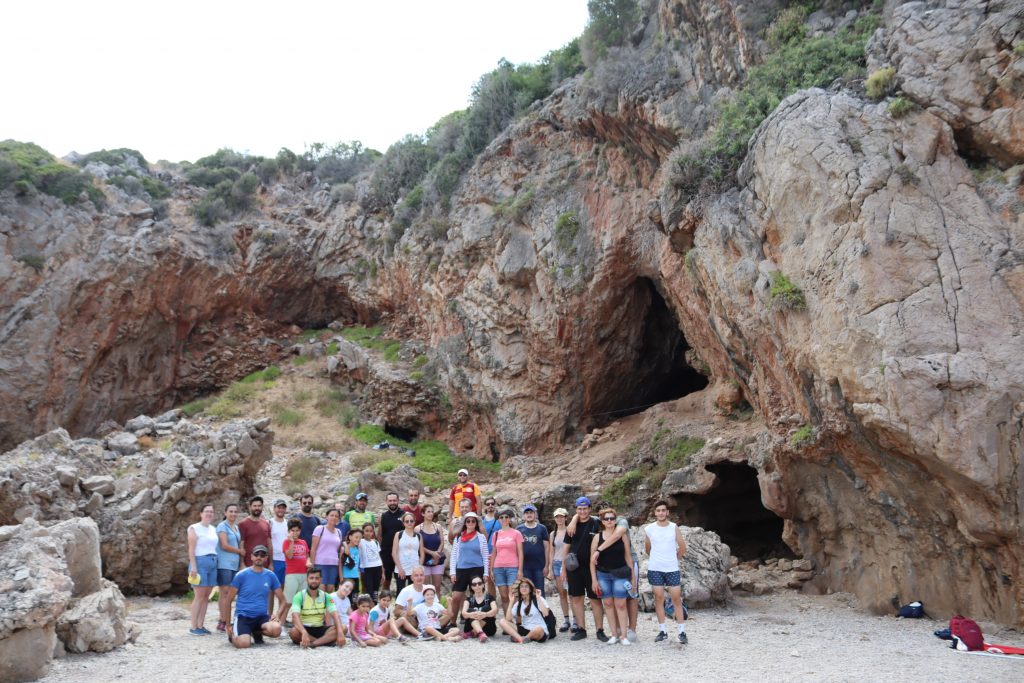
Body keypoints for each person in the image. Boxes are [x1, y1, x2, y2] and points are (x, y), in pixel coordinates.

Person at [589, 504, 640, 641]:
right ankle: (614, 634)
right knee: (608, 604)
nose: (610, 521)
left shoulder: (622, 535)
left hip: (620, 573)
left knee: (621, 604)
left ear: (615, 520)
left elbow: (628, 558)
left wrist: (633, 578)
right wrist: (594, 580)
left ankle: (624, 635)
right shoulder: (596, 538)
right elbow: (592, 561)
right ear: (602, 521)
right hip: (603, 575)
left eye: (612, 518)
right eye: (606, 519)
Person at [224, 545, 288, 648]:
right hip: (243, 616)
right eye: (256, 554)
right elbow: (228, 601)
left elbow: (283, 600)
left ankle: (256, 632)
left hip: (261, 617)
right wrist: (227, 625)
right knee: (244, 644)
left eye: (262, 555)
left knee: (276, 630)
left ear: (266, 558)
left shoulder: (270, 575)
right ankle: (235, 635)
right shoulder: (241, 575)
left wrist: (277, 615)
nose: (259, 557)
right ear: (251, 557)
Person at [644, 500, 689, 644]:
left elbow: (682, 546)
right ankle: (662, 630)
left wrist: (674, 558)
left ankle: (682, 632)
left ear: (667, 512)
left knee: (676, 598)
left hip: (672, 568)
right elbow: (647, 548)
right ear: (655, 513)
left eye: (663, 510)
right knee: (659, 599)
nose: (661, 513)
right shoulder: (649, 529)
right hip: (656, 568)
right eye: (658, 510)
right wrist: (658, 558)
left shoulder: (673, 527)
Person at [564, 496, 605, 641]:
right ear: (576, 509)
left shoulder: (596, 523)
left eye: (585, 508)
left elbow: (611, 523)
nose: (582, 511)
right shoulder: (571, 526)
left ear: (589, 509)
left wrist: (575, 518)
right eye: (579, 509)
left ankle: (600, 630)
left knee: (595, 599)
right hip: (574, 567)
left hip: (593, 567)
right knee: (576, 598)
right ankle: (581, 629)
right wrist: (564, 569)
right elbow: (566, 547)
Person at [449, 512, 489, 624]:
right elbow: (453, 555)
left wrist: (486, 574)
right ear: (464, 523)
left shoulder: (481, 537)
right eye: (468, 521)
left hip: (477, 569)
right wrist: (453, 572)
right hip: (461, 570)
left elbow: (485, 557)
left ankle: (474, 623)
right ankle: (452, 622)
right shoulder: (459, 537)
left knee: (476, 597)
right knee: (456, 597)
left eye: (473, 521)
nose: (470, 523)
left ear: (476, 523)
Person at [288, 567, 345, 648]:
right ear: (307, 580)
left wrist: (340, 632)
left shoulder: (326, 596)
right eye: (311, 578)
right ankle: (325, 641)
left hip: (320, 628)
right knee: (293, 632)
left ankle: (313, 643)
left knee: (343, 628)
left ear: (320, 580)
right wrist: (304, 632)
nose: (314, 580)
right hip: (304, 627)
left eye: (317, 578)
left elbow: (335, 615)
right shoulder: (299, 596)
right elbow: (295, 616)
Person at [187, 503, 218, 635]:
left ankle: (201, 625)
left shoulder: (213, 529)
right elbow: (191, 549)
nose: (209, 513)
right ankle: (194, 627)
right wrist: (193, 567)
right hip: (199, 563)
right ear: (201, 513)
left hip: (212, 562)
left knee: (206, 596)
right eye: (206, 511)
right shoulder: (194, 528)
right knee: (199, 596)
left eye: (211, 511)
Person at [215, 503, 245, 632]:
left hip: (234, 565)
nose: (233, 514)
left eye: (235, 511)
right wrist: (240, 551)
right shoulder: (222, 526)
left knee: (231, 593)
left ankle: (227, 618)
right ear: (225, 513)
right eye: (230, 511)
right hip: (224, 564)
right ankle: (222, 620)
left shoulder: (236, 528)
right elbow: (224, 545)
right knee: (225, 593)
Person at [490, 508, 524, 609]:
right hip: (498, 568)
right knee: (504, 597)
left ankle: (516, 621)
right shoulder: (496, 534)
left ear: (510, 519)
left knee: (513, 595)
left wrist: (520, 570)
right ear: (499, 520)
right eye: (501, 517)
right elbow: (494, 552)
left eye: (506, 517)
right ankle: (507, 619)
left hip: (512, 568)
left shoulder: (516, 533)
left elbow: (521, 552)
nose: (504, 519)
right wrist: (491, 569)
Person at [498, 578, 551, 643]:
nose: (524, 588)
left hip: (538, 631)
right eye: (522, 587)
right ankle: (521, 639)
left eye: (526, 586)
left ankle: (525, 638)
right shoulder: (519, 603)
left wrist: (538, 598)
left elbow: (546, 614)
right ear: (519, 590)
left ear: (530, 589)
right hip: (525, 628)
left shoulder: (538, 599)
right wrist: (511, 602)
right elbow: (508, 619)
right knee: (502, 621)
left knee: (538, 629)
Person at [517, 504, 551, 596]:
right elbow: (517, 549)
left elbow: (547, 547)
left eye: (531, 512)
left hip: (539, 566)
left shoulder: (542, 528)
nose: (529, 514)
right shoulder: (519, 529)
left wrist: (547, 566)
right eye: (527, 513)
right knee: (527, 591)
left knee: (540, 591)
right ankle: (529, 610)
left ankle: (542, 610)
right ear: (523, 515)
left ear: (535, 514)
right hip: (525, 566)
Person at [308, 508, 345, 592]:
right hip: (320, 564)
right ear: (327, 517)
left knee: (330, 591)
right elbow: (313, 549)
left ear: (339, 518)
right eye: (332, 515)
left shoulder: (339, 532)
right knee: (321, 591)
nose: (334, 517)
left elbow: (338, 550)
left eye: (336, 516)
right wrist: (312, 566)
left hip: (333, 565)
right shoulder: (320, 529)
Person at [551, 507, 573, 632]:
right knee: (562, 593)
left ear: (565, 518)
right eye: (557, 517)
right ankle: (566, 619)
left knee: (572, 592)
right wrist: (549, 568)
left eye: (561, 516)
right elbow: (551, 551)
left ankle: (575, 619)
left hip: (568, 564)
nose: (559, 519)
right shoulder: (552, 534)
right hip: (556, 563)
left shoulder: (570, 531)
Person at [378, 492, 405, 592]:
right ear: (386, 502)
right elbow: (380, 535)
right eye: (390, 501)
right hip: (386, 553)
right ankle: (385, 602)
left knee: (400, 580)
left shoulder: (404, 515)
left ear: (398, 501)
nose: (392, 502)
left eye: (394, 500)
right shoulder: (382, 516)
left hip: (401, 553)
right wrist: (379, 551)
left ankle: (400, 603)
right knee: (386, 580)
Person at [415, 504, 445, 592]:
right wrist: (432, 553)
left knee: (437, 586)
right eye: (428, 512)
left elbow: (442, 541)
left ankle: (438, 605)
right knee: (426, 587)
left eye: (432, 512)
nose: (431, 514)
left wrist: (437, 554)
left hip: (438, 560)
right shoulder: (417, 529)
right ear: (423, 514)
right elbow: (418, 546)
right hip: (425, 561)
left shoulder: (438, 526)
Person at [392, 512, 424, 591]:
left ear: (414, 522)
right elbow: (394, 553)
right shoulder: (398, 534)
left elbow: (422, 554)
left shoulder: (418, 536)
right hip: (401, 569)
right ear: (403, 523)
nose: (409, 523)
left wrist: (419, 568)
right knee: (400, 592)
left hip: (414, 570)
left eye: (411, 521)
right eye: (407, 521)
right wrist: (400, 568)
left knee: (413, 592)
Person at [459, 575, 498, 642]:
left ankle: (473, 633)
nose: (477, 586)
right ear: (471, 587)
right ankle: (480, 633)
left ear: (483, 585)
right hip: (471, 626)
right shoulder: (468, 599)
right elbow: (463, 613)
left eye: (479, 583)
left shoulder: (489, 597)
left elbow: (495, 610)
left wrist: (485, 614)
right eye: (474, 584)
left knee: (486, 608)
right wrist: (472, 614)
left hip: (488, 629)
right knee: (470, 610)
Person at [238, 496, 272, 569]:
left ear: (262, 507)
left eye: (259, 506)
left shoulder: (266, 524)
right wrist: (242, 563)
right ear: (250, 507)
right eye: (255, 506)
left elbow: (269, 545)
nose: (257, 508)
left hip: (264, 565)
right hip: (248, 565)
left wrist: (271, 563)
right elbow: (241, 545)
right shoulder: (243, 524)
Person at [282, 519, 309, 604]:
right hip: (292, 574)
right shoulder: (286, 542)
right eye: (292, 530)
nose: (295, 532)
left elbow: (307, 556)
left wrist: (308, 562)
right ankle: (282, 618)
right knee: (287, 602)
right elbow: (289, 556)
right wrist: (292, 542)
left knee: (302, 601)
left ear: (300, 531)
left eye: (297, 530)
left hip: (304, 574)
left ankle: (297, 617)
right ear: (289, 531)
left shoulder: (303, 542)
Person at [480, 497, 500, 598]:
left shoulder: (500, 519)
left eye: (492, 503)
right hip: (486, 553)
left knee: (501, 580)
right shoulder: (481, 521)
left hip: (499, 553)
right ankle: (493, 602)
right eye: (488, 504)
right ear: (485, 506)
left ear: (495, 505)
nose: (490, 506)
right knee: (490, 581)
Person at [359, 523, 384, 601]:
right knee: (369, 590)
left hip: (378, 568)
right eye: (366, 531)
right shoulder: (360, 541)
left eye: (370, 531)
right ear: (363, 531)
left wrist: (383, 572)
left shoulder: (375, 542)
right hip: (367, 569)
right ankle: (369, 607)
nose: (368, 533)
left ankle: (375, 605)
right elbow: (348, 541)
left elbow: (379, 557)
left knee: (376, 591)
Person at [269, 500, 290, 588]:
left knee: (285, 586)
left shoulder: (288, 523)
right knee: (273, 587)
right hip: (275, 559)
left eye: (283, 508)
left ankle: (283, 602)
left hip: (287, 559)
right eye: (279, 508)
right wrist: (270, 562)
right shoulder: (270, 523)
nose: (281, 510)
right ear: (274, 509)